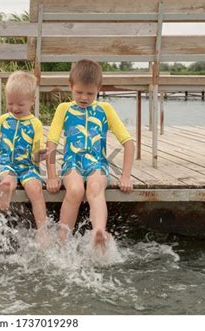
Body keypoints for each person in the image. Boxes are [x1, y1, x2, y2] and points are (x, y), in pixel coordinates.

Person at [46, 59, 135, 249]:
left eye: (90, 93)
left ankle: (98, 233)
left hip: (98, 164)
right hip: (72, 163)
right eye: (79, 92)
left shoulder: (105, 110)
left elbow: (128, 143)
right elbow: (51, 143)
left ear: (98, 89)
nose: (84, 97)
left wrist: (126, 175)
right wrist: (52, 176)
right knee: (76, 190)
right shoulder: (64, 109)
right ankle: (63, 239)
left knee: (95, 188)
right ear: (70, 87)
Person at [0, 71, 48, 244]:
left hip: (28, 165)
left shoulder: (35, 124)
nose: (14, 108)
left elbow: (36, 148)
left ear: (32, 101)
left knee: (35, 189)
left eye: (20, 104)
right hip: (6, 163)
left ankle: (42, 231)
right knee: (8, 180)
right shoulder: (3, 120)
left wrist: (39, 156)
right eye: (10, 103)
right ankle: (4, 203)